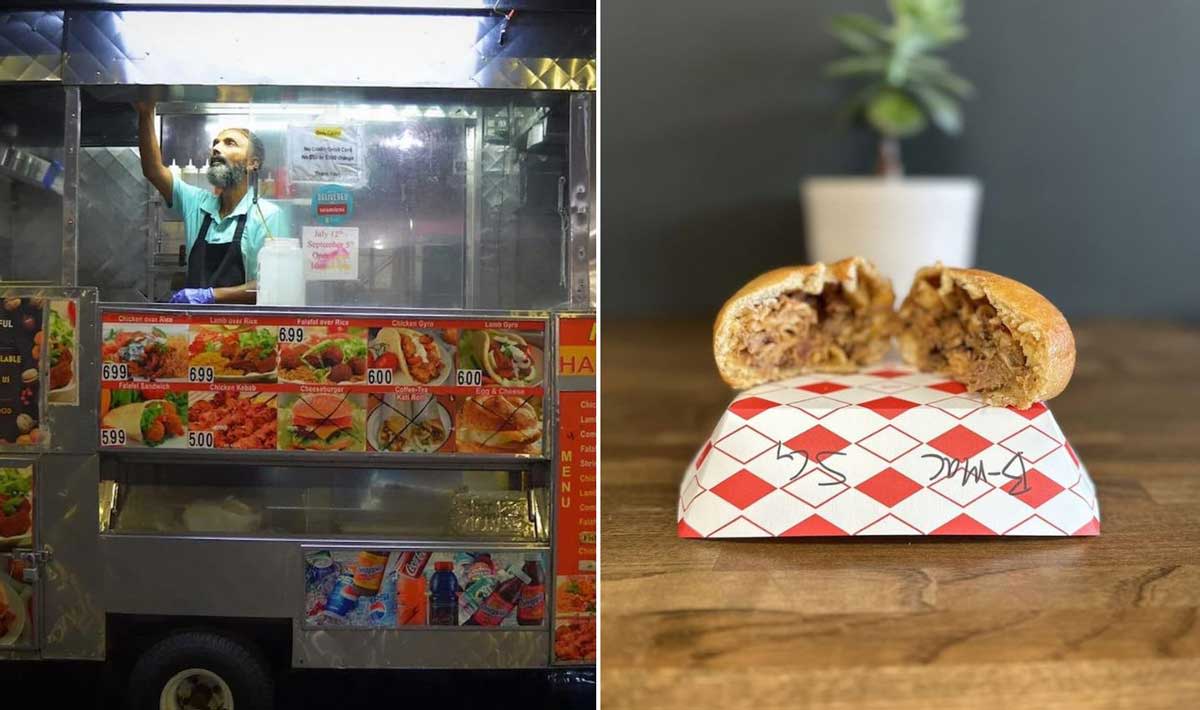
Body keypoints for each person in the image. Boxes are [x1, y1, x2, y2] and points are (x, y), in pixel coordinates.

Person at [135, 100, 287, 304]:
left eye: (229, 143)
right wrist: (146, 113)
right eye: (215, 142)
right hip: (196, 330)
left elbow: (271, 285)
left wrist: (210, 296)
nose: (216, 148)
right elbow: (153, 170)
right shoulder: (197, 203)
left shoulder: (268, 215)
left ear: (253, 163)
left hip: (243, 329)